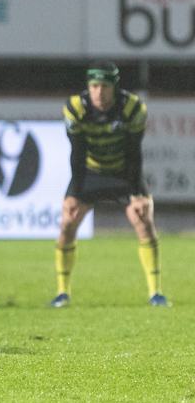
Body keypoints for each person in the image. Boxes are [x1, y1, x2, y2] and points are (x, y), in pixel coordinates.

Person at [53, 62, 168, 308]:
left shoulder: (133, 108)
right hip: (90, 172)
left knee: (143, 220)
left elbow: (135, 152)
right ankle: (63, 293)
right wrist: (75, 193)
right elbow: (77, 152)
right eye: (94, 86)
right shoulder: (75, 108)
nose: (98, 92)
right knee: (67, 223)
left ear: (114, 88)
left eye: (104, 86)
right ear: (88, 87)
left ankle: (156, 294)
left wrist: (136, 193)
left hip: (123, 172)